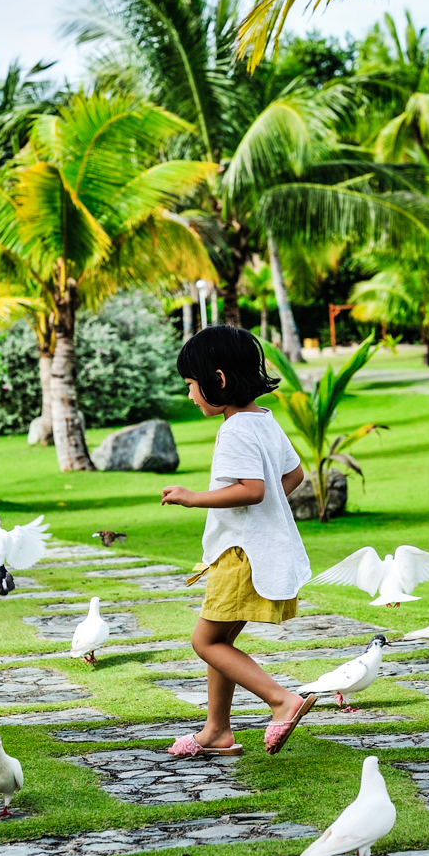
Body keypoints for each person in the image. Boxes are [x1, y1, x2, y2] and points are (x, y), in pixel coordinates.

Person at [160, 324, 315, 756]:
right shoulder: (263, 421)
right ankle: (216, 732)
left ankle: (282, 701)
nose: (191, 395)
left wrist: (194, 498)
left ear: (219, 380)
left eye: (192, 384)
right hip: (254, 550)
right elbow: (294, 475)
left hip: (239, 555)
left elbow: (252, 489)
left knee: (205, 642)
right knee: (221, 644)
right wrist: (266, 512)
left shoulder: (234, 430)